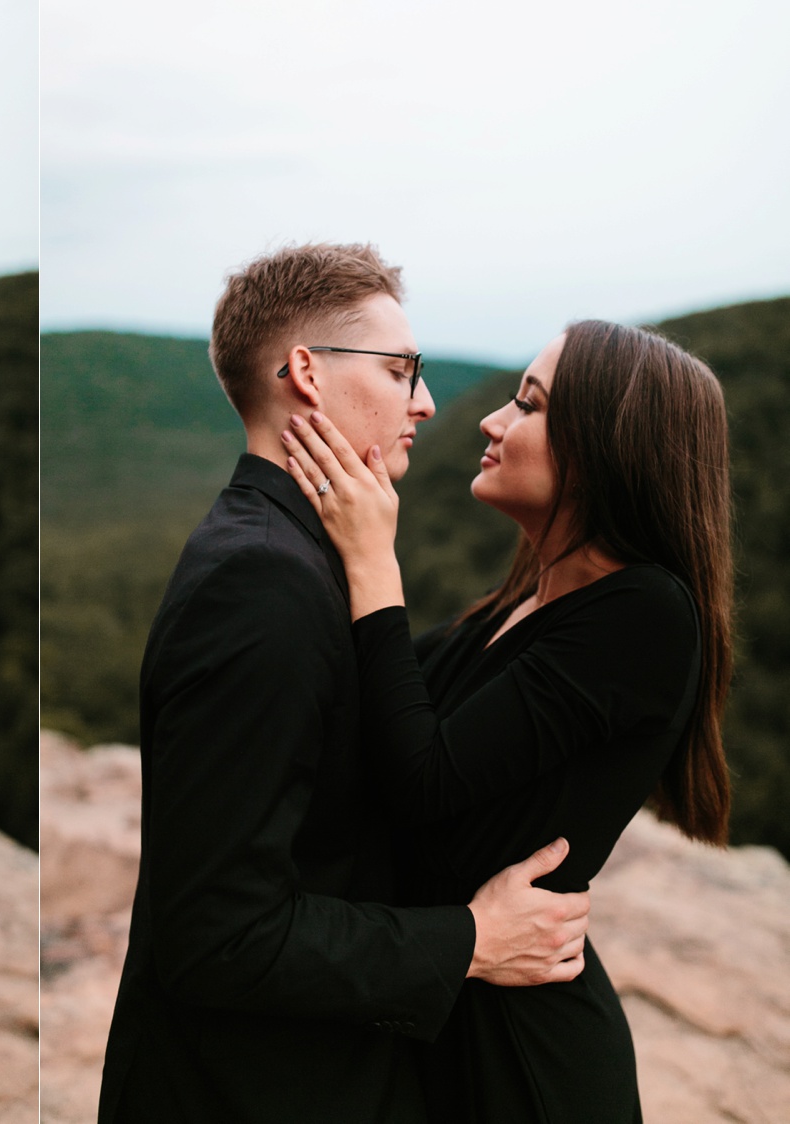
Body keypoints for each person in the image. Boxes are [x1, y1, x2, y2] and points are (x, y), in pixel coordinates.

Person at [97, 243, 594, 1124]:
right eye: (403, 371)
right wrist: (473, 940)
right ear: (305, 373)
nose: (427, 402)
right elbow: (216, 934)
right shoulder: (260, 583)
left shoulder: (292, 556)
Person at [279, 319, 732, 1122]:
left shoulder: (646, 616)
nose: (492, 421)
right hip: (441, 1021)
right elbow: (368, 707)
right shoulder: (524, 599)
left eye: (527, 404)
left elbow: (420, 779)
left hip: (522, 1063)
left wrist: (375, 561)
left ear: (603, 445)